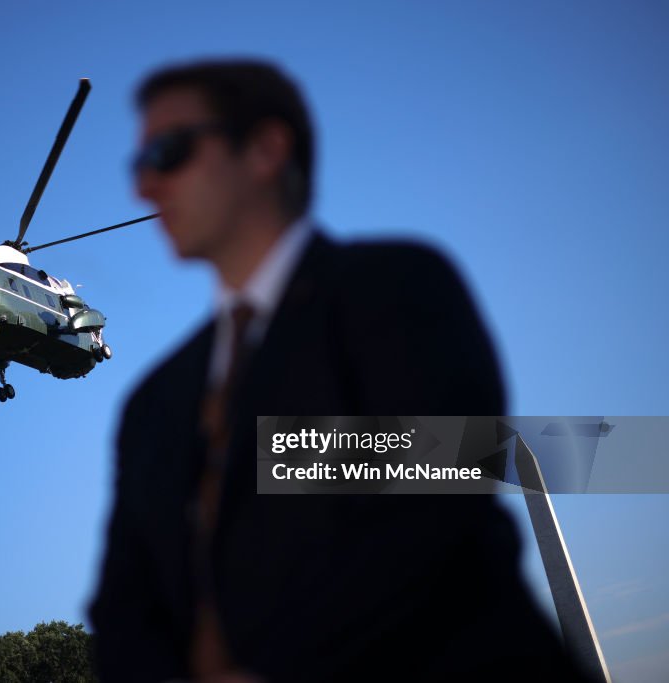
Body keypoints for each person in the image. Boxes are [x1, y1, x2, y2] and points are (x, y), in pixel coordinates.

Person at [89, 59, 580, 682]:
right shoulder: (152, 404)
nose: (146, 187)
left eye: (169, 151)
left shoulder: (397, 286)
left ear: (266, 149)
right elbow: (125, 610)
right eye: (139, 165)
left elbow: (435, 501)